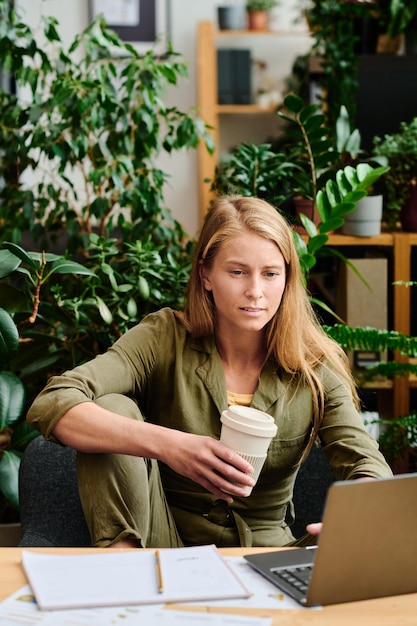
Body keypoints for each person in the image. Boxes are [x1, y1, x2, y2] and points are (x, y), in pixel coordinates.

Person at [27, 195, 392, 549]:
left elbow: (365, 461)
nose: (255, 292)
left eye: (270, 274)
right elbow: (54, 401)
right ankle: (125, 577)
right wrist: (171, 446)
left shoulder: (314, 363)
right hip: (164, 547)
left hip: (268, 554)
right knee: (109, 408)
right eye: (237, 272)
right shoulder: (163, 337)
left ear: (287, 279)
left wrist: (354, 519)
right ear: (206, 274)